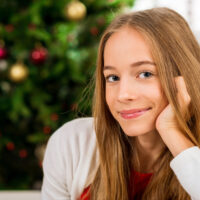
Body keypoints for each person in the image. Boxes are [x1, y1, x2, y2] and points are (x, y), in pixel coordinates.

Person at [41, 7, 200, 200]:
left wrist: (173, 133)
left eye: (145, 74)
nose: (123, 95)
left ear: (182, 79)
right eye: (113, 77)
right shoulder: (72, 144)